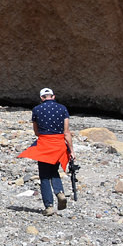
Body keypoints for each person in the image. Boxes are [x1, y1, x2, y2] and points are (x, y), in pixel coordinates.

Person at [19, 87, 74, 215]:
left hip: (44, 144)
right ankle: (60, 192)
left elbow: (36, 131)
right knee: (54, 170)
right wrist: (71, 150)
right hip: (59, 144)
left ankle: (49, 206)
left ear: (42, 98)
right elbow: (66, 132)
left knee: (44, 175)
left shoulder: (36, 110)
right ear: (53, 96)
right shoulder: (62, 109)